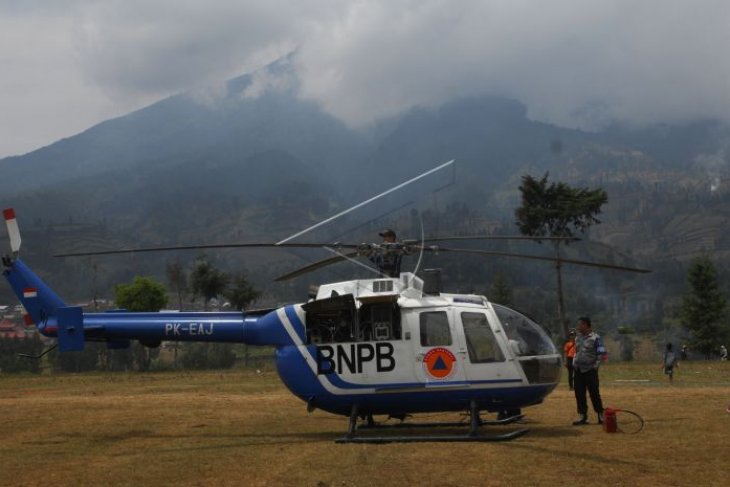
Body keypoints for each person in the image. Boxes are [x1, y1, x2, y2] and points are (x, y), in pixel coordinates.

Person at [572, 316, 606, 425]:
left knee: (594, 393)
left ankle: (600, 415)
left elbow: (601, 353)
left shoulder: (596, 338)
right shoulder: (577, 338)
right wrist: (574, 361)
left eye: (580, 324)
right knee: (579, 394)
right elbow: (576, 351)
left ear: (586, 325)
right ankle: (583, 416)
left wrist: (595, 366)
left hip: (590, 370)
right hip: (578, 370)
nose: (578, 327)